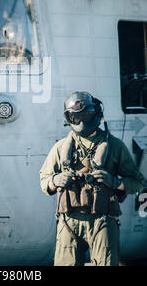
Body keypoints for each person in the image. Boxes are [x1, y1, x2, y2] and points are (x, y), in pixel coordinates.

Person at [40, 91, 146, 266]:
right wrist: (55, 181)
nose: (81, 121)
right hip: (68, 222)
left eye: (86, 115)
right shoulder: (60, 148)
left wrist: (115, 183)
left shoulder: (114, 146)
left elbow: (138, 182)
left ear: (96, 115)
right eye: (75, 117)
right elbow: (44, 181)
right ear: (68, 118)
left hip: (102, 220)